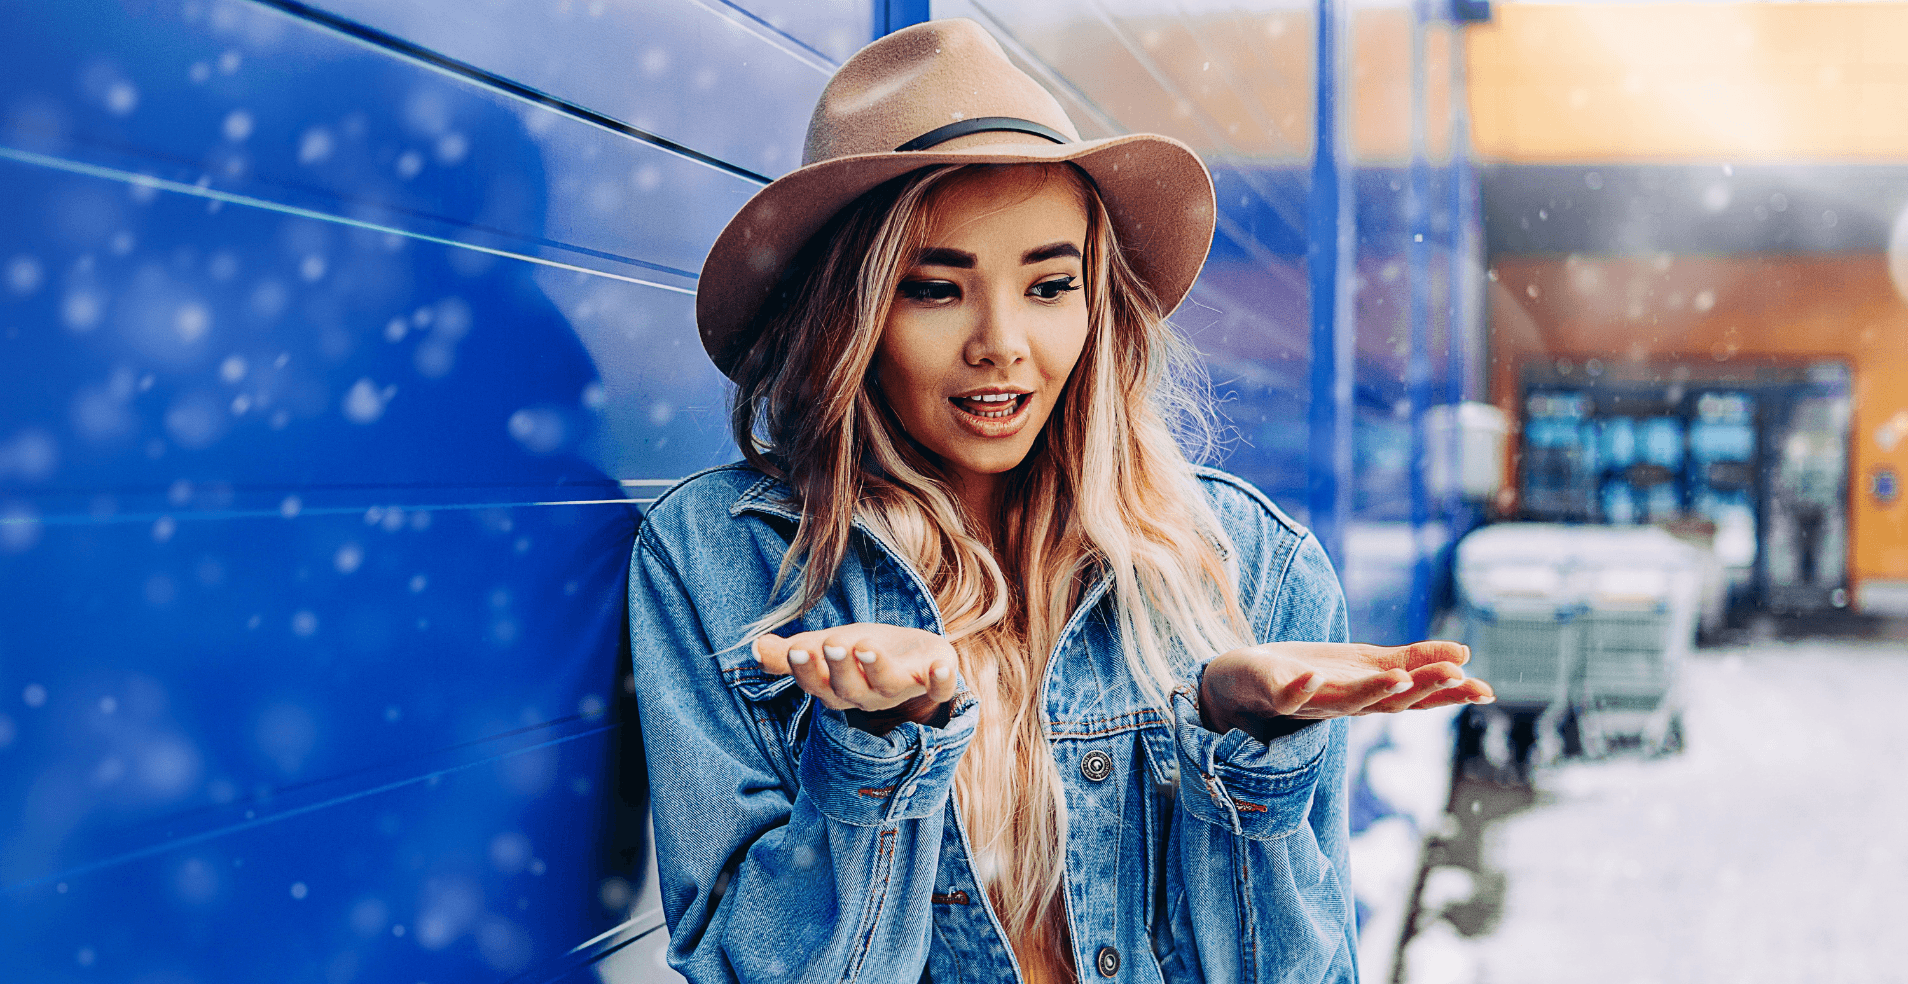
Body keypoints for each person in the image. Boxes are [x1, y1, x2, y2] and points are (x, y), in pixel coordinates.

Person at [628, 19, 1494, 984]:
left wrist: (1242, 748)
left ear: (1098, 303)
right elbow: (755, 969)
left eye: (1049, 284)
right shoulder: (717, 559)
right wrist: (877, 748)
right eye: (934, 289)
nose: (1002, 342)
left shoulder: (1246, 562)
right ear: (850, 312)